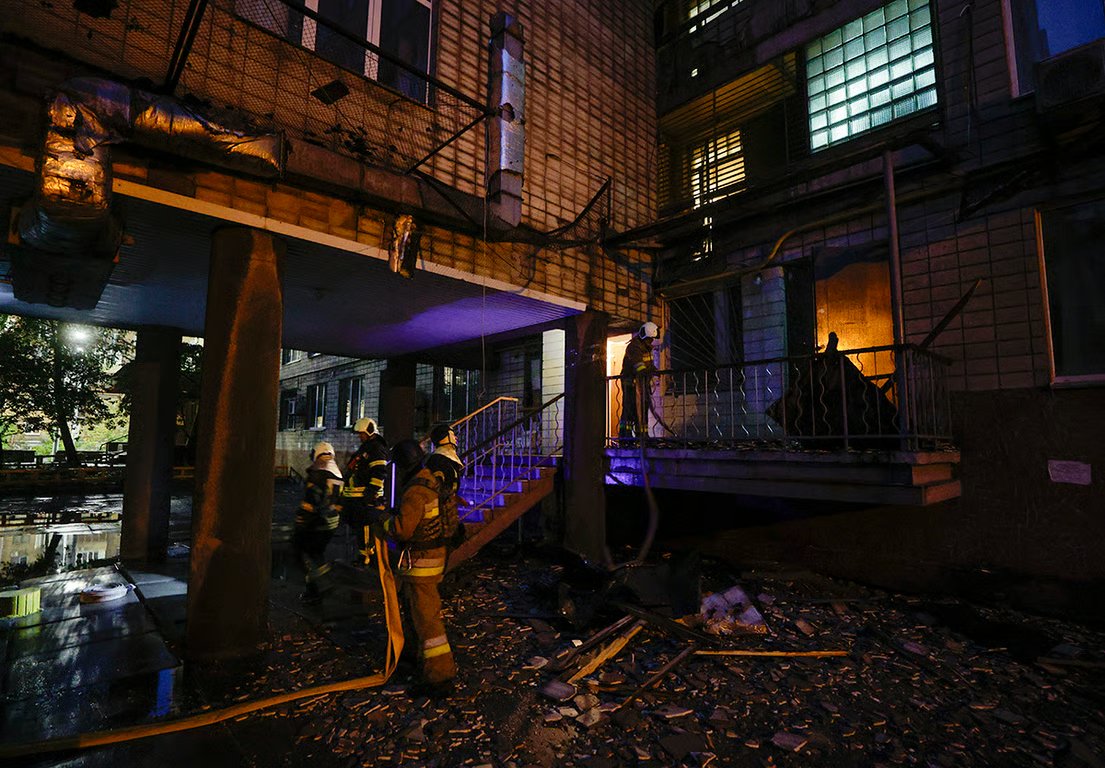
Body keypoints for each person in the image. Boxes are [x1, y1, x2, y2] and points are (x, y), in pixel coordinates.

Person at [382, 434, 462, 696]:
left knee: (428, 620)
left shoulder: (416, 490)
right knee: (418, 613)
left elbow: (403, 530)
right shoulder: (431, 479)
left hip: (421, 565)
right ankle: (420, 661)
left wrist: (380, 522)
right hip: (432, 559)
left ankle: (440, 676)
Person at [294, 441, 342, 604]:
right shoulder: (336, 472)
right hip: (332, 520)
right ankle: (319, 585)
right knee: (316, 553)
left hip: (317, 521)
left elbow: (310, 501)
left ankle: (317, 588)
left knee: (305, 554)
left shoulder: (317, 473)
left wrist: (301, 520)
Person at [341, 417, 389, 566]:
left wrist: (371, 492)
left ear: (369, 431)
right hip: (357, 498)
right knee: (360, 530)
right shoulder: (367, 447)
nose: (359, 436)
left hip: (364, 498)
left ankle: (367, 558)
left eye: (361, 433)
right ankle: (364, 556)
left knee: (366, 529)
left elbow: (380, 471)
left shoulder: (375, 448)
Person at [618, 321, 660, 440]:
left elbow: (649, 365)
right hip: (631, 384)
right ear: (645, 337)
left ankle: (642, 436)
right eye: (650, 339)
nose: (651, 342)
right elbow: (639, 367)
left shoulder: (646, 348)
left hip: (642, 384)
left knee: (642, 409)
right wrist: (648, 373)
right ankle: (625, 437)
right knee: (630, 409)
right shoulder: (634, 347)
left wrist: (657, 372)